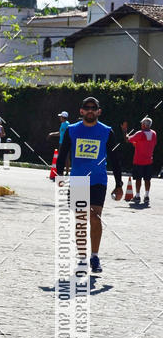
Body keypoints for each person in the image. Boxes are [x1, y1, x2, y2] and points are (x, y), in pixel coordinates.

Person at [56, 96, 123, 274]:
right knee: (80, 220)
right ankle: (82, 258)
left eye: (94, 107)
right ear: (82, 111)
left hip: (98, 181)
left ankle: (94, 256)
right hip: (78, 180)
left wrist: (119, 184)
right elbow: (62, 155)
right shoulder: (71, 130)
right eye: (87, 107)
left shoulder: (107, 132)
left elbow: (115, 159)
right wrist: (59, 175)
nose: (90, 110)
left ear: (99, 111)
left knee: (95, 217)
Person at [121, 117, 157, 207]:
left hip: (138, 160)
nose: (141, 125)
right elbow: (149, 144)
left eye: (142, 123)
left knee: (138, 179)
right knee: (147, 179)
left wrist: (125, 131)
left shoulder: (139, 134)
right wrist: (138, 144)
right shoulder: (154, 134)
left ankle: (137, 196)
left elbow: (127, 139)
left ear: (144, 125)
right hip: (149, 160)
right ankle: (147, 195)